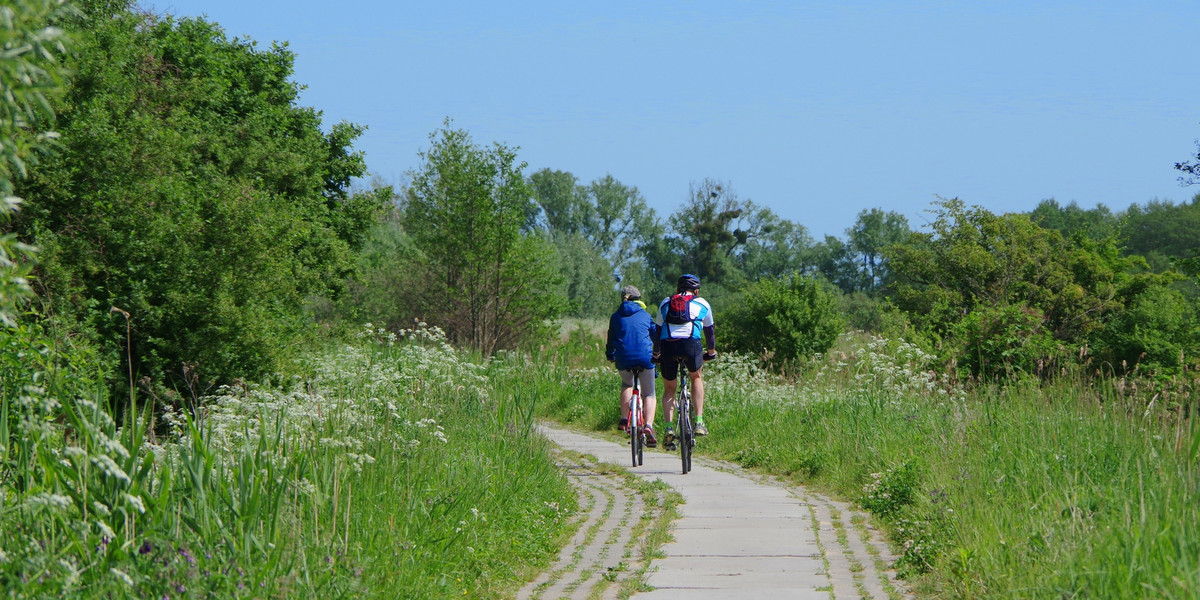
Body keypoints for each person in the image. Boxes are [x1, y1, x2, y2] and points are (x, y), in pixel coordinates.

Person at [654, 274, 716, 445]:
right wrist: (711, 352)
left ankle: (668, 427)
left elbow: (657, 332)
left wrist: (657, 354)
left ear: (677, 290)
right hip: (691, 344)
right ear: (696, 291)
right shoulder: (702, 303)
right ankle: (699, 422)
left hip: (668, 346)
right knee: (695, 377)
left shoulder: (665, 303)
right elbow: (709, 332)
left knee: (669, 389)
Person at [605, 285, 659, 447]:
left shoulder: (615, 317)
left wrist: (610, 355)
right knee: (649, 392)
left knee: (627, 383)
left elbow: (611, 339)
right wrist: (659, 353)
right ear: (639, 299)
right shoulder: (645, 315)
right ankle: (648, 426)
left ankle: (623, 419)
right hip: (645, 358)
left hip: (623, 358)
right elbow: (655, 335)